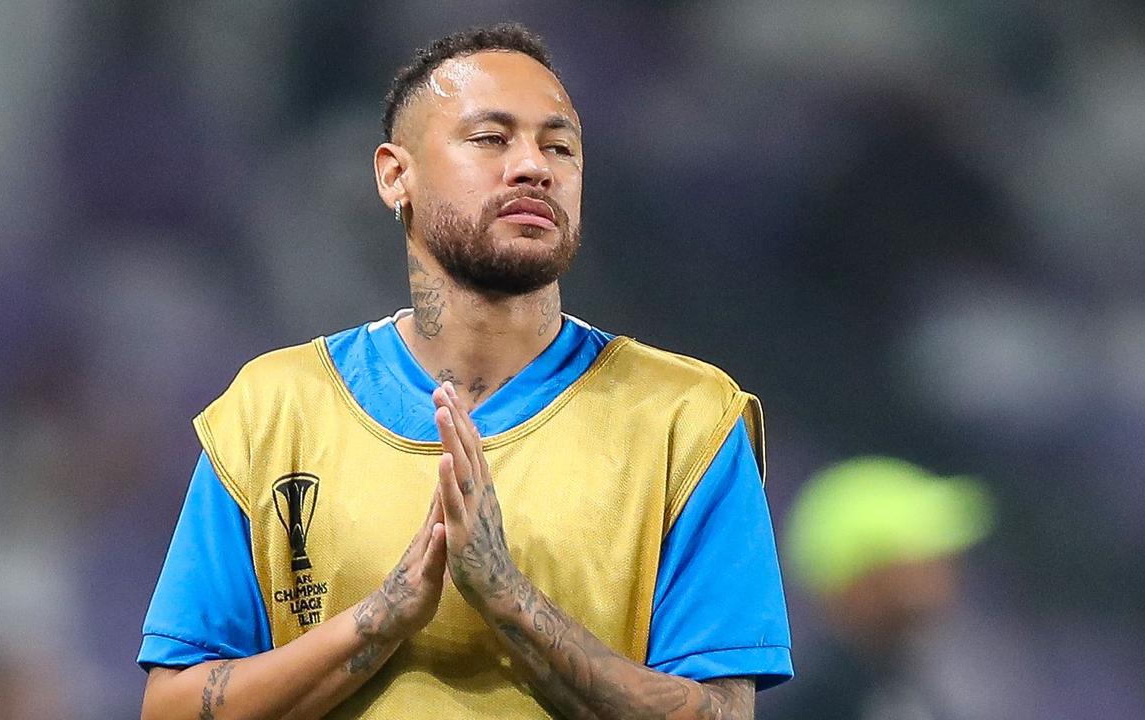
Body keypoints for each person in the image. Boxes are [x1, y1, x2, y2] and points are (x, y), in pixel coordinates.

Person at [138, 24, 792, 720]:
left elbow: (723, 713)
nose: (533, 166)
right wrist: (383, 617)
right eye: (491, 139)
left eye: (559, 146)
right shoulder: (273, 412)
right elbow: (173, 706)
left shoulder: (685, 419)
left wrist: (510, 601)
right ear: (396, 174)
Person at [769, 456, 995, 720]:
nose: (945, 576)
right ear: (863, 581)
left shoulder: (898, 684)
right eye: (924, 559)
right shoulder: (828, 699)